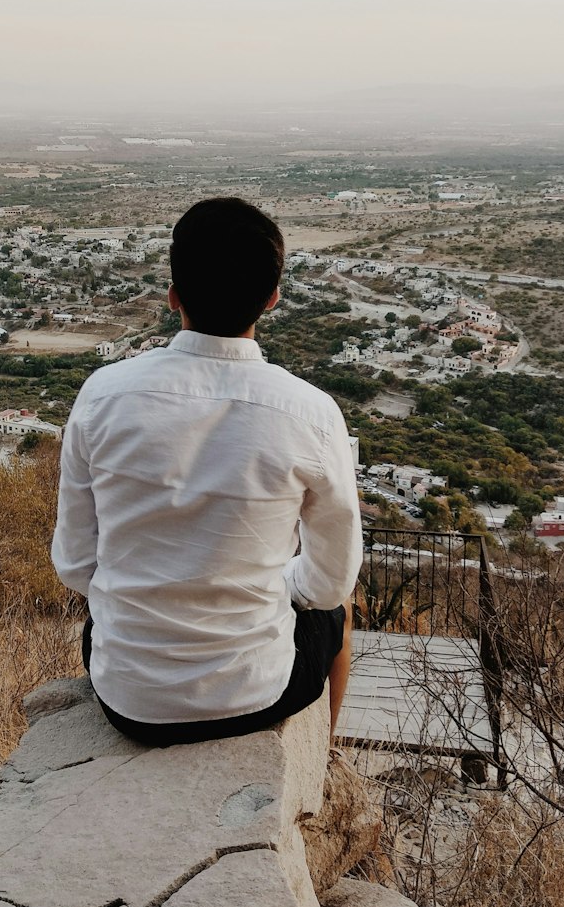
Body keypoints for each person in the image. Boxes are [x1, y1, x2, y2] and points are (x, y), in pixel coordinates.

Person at [51, 197, 363, 747]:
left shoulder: (103, 394)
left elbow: (76, 566)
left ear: (173, 296)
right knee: (341, 616)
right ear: (272, 299)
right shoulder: (309, 412)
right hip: (253, 692)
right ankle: (326, 753)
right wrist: (276, 583)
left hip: (128, 698)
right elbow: (330, 583)